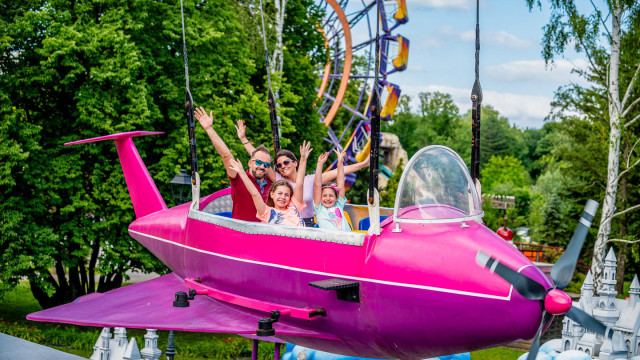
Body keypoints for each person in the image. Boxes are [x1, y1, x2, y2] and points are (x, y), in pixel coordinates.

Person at [235, 120, 370, 226]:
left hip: (308, 222)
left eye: (286, 162)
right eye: (279, 165)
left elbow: (339, 172)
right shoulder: (279, 180)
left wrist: (363, 164)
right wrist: (244, 140)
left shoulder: (310, 180)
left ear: (295, 163)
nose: (282, 166)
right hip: (285, 222)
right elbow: (259, 159)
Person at [194, 107, 273, 222]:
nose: (262, 166)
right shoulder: (239, 177)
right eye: (259, 162)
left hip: (265, 235)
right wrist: (209, 129)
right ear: (250, 163)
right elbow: (226, 156)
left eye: (266, 164)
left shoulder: (272, 183)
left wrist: (244, 139)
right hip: (242, 235)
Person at [228, 141, 312, 227]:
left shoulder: (294, 207)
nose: (282, 197)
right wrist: (241, 172)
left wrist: (303, 159)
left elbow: (299, 184)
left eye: (286, 195)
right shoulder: (268, 213)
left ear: (290, 197)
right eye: (279, 193)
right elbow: (255, 194)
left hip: (300, 239)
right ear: (272, 194)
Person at [313, 149, 351, 231]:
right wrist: (320, 164)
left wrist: (340, 162)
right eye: (324, 196)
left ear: (337, 198)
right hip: (331, 241)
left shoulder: (338, 204)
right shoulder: (319, 208)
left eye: (331, 196)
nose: (328, 198)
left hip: (348, 240)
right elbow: (317, 185)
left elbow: (340, 182)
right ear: (319, 197)